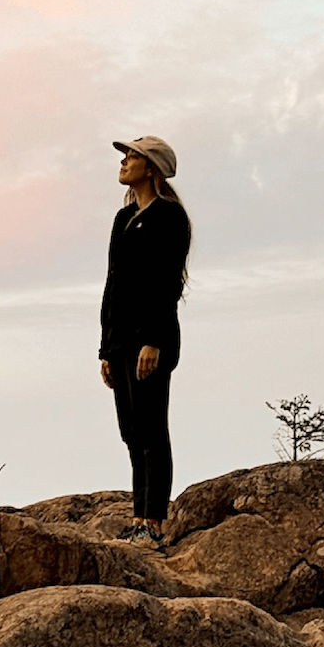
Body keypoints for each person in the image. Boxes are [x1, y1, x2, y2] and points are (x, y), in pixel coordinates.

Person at [99, 135, 191, 545]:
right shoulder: (123, 219)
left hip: (150, 340)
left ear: (150, 166)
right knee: (132, 432)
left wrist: (153, 340)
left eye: (131, 156)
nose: (123, 162)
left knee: (153, 429)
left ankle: (154, 523)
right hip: (121, 342)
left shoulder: (169, 218)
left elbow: (166, 283)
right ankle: (138, 519)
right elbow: (112, 285)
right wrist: (105, 348)